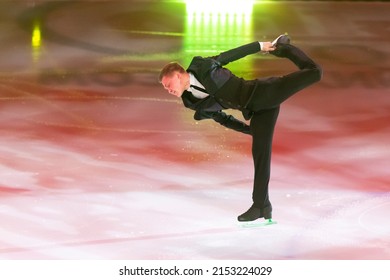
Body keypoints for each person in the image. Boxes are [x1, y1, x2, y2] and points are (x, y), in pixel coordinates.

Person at [158, 34, 322, 222]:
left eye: (168, 84)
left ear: (178, 75)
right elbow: (221, 118)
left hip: (264, 92)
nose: (168, 90)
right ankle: (261, 206)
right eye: (165, 88)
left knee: (315, 72)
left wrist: (259, 46)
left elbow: (229, 55)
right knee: (260, 153)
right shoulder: (191, 101)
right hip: (256, 110)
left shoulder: (203, 66)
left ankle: (284, 48)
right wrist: (248, 130)